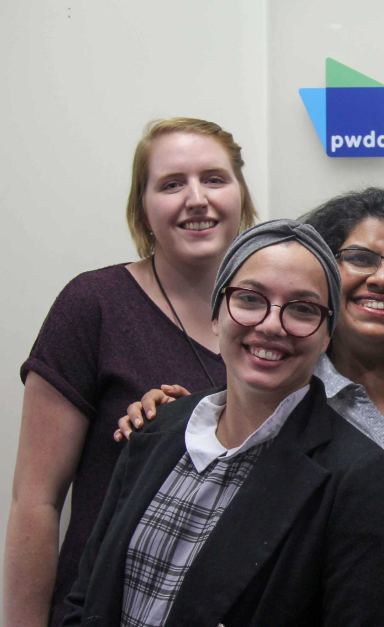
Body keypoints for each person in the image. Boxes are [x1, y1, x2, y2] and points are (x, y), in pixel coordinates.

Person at [63, 220, 384, 625]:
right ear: (216, 314)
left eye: (303, 309)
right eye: (249, 299)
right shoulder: (157, 428)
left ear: (326, 336)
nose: (271, 325)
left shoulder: (362, 481)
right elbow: (87, 597)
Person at [4, 117, 256, 626]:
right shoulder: (94, 305)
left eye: (214, 179)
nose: (197, 199)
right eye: (171, 184)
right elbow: (36, 502)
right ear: (142, 209)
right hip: (101, 608)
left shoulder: (279, 321)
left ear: (241, 197)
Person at [117, 188, 384, 455]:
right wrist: (172, 418)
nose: (382, 279)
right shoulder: (276, 384)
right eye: (360, 258)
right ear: (319, 276)